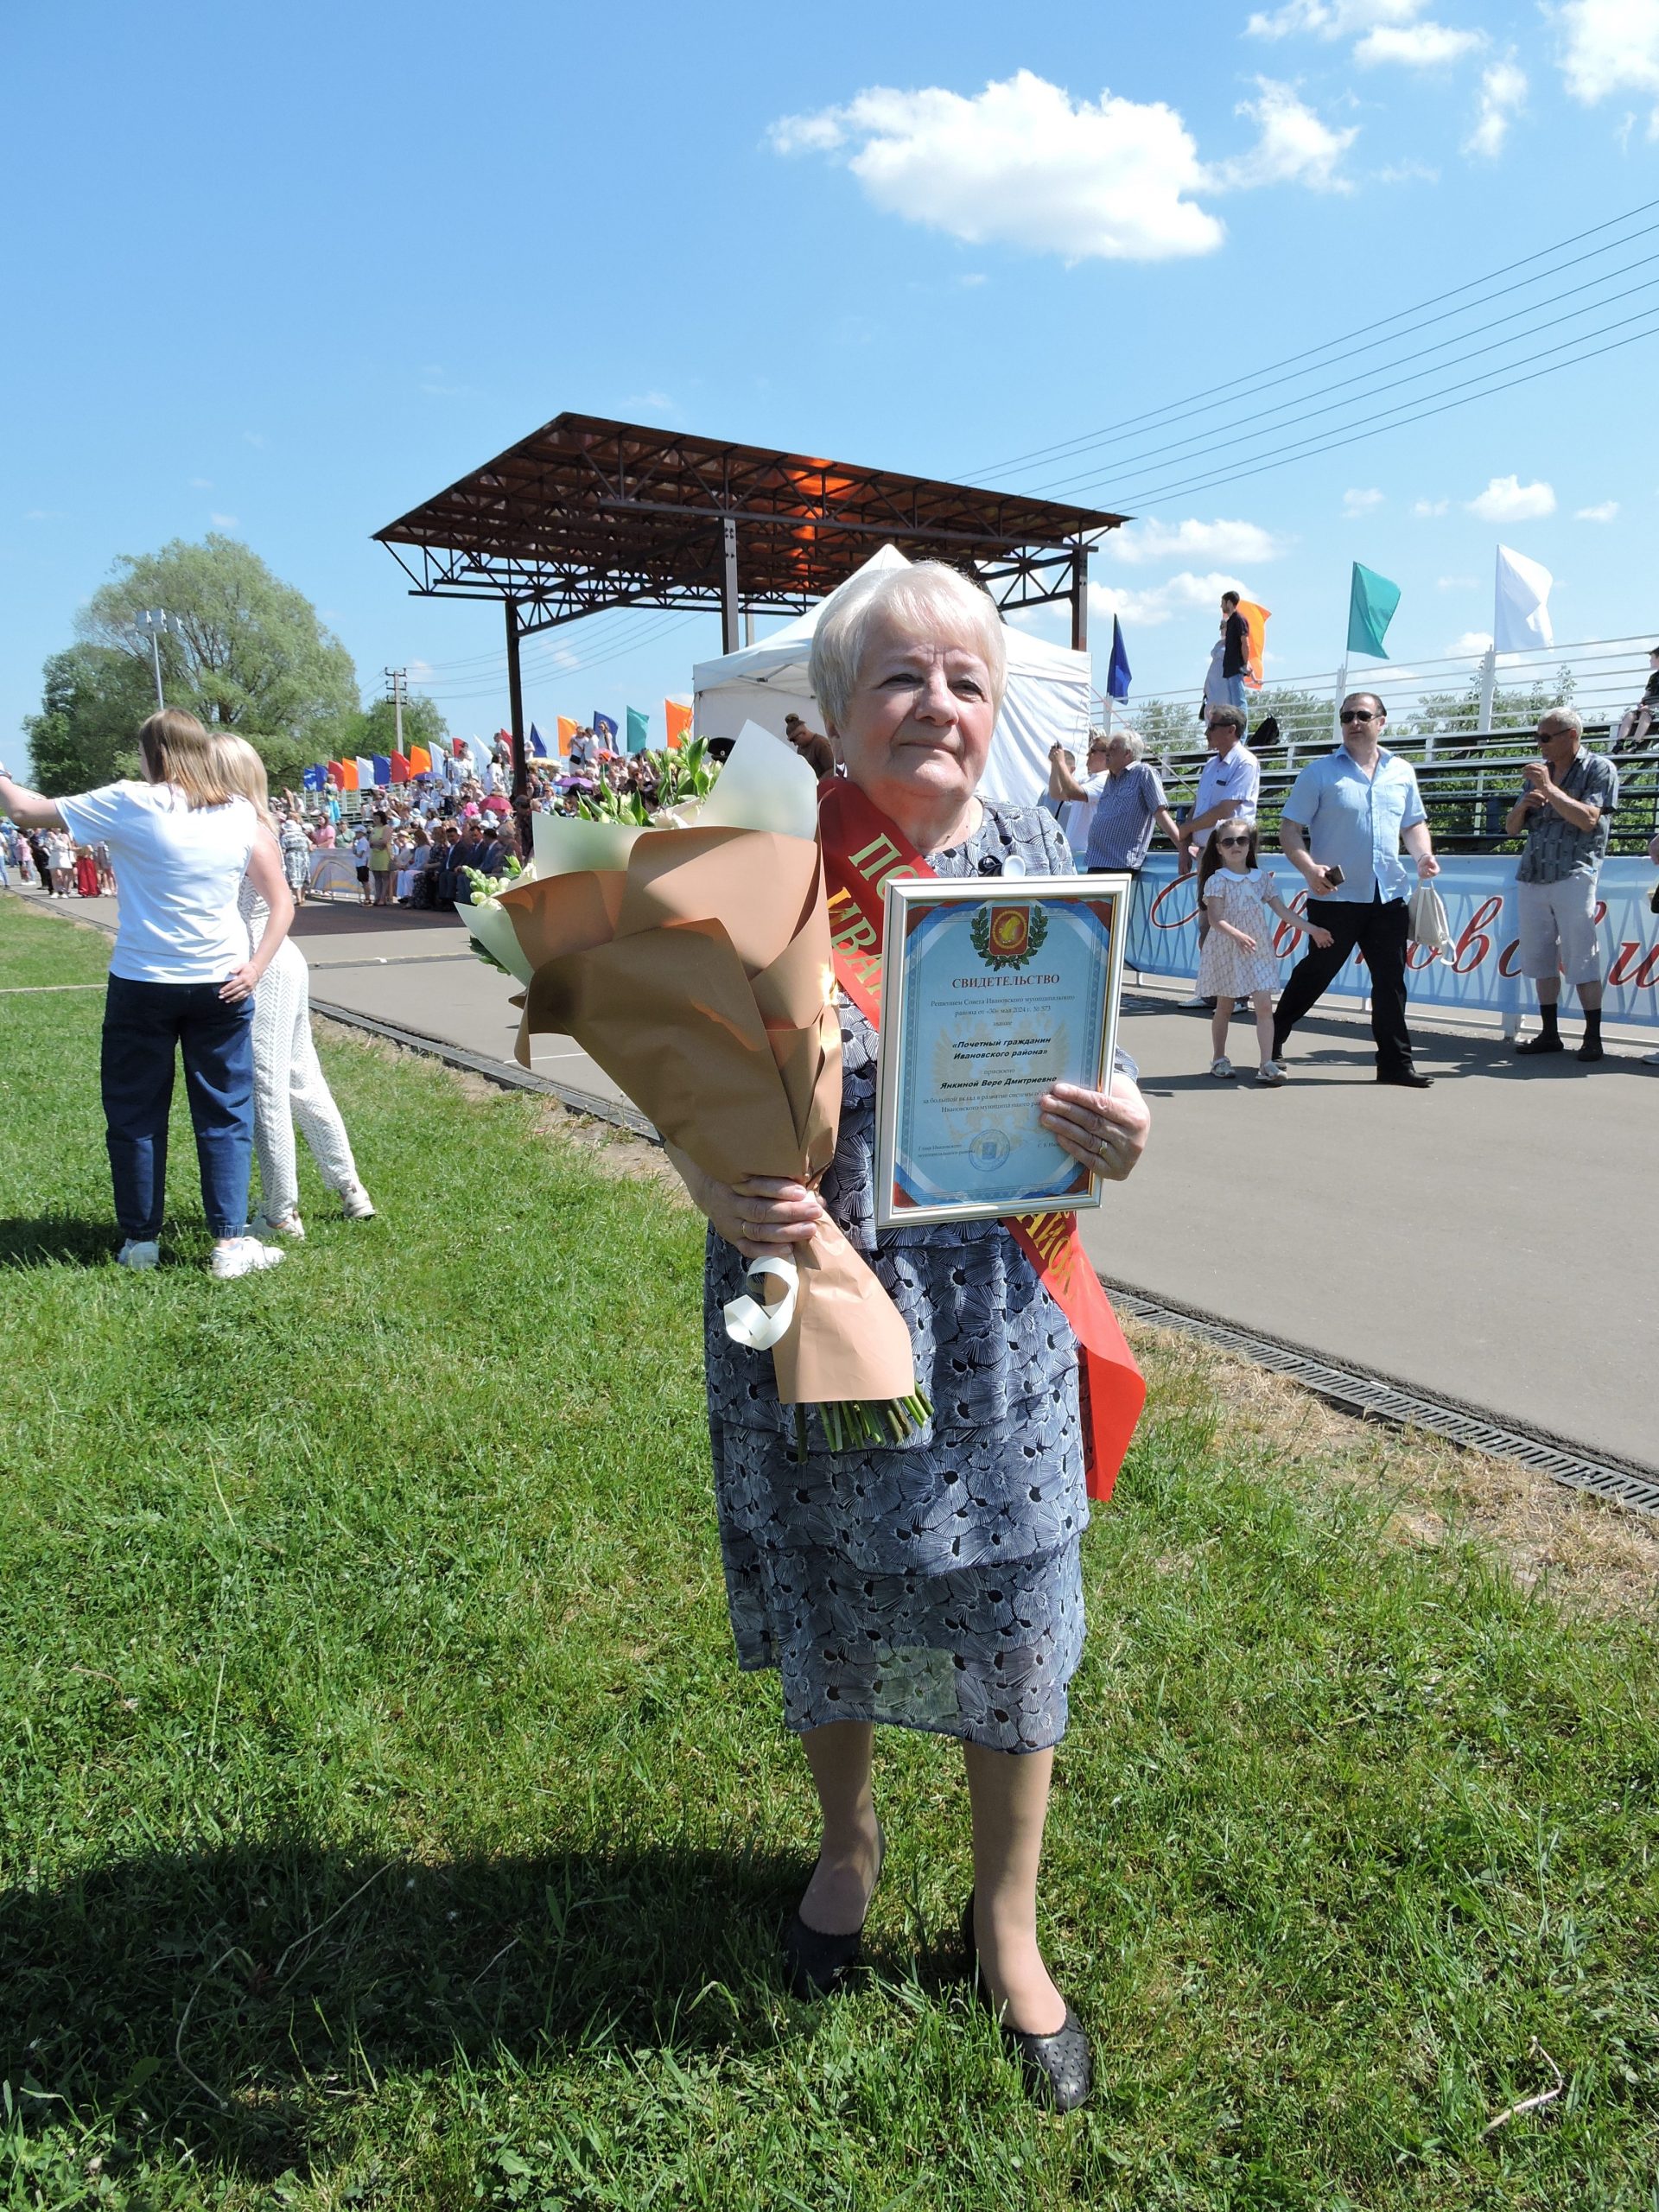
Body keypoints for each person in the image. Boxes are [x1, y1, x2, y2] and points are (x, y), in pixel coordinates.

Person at [664, 560, 1152, 2113]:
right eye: (900, 676)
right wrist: (720, 1190)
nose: (936, 702)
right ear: (833, 709)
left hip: (999, 1311)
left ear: (994, 710)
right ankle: (850, 1845)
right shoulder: (761, 867)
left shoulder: (1039, 861)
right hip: (814, 1298)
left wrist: (1122, 1122)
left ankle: (1005, 1921)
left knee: (1018, 1616)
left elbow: (1106, 1067)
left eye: (965, 677)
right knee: (836, 1589)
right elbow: (684, 1085)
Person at [0, 712, 294, 1276]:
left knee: (135, 1112)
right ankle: (230, 1245)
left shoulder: (130, 800)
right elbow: (281, 900)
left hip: (143, 983)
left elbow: (23, 810)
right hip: (222, 983)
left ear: (150, 753)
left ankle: (140, 1242)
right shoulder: (239, 813)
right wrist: (256, 967)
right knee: (226, 1112)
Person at [216, 740, 376, 1236]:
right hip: (278, 958)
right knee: (301, 1078)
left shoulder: (236, 826)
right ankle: (349, 1187)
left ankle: (280, 1209)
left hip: (263, 960)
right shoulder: (252, 822)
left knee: (268, 1087)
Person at [1271, 691, 1440, 1089]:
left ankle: (1396, 1064)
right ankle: (1273, 1035)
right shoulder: (1318, 772)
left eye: (1363, 715)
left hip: (1388, 894)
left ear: (1382, 721)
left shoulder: (1401, 771)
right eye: (1347, 716)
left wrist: (1423, 857)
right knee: (1317, 972)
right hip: (1335, 897)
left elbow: (1413, 824)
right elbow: (1289, 831)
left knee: (1390, 981)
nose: (1353, 722)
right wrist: (1310, 868)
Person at [1503, 709, 1619, 1064]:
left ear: (1571, 735)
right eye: (1538, 737)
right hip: (1534, 872)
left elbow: (1588, 819)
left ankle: (1592, 1037)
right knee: (1539, 956)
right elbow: (1510, 829)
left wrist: (1549, 789)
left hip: (1575, 871)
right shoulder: (1542, 774)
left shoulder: (1599, 768)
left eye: (1545, 737)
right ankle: (1549, 1032)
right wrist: (1523, 806)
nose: (1540, 744)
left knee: (1581, 955)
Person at [1194, 818, 1332, 1084]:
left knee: (1265, 1006)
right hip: (1227, 949)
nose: (1236, 846)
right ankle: (1219, 1058)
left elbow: (1283, 911)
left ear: (1251, 845)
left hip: (1257, 949)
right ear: (1219, 848)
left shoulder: (1261, 880)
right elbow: (1215, 919)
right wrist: (1237, 935)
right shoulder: (1217, 880)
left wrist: (1312, 929)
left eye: (1242, 840)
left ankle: (1266, 1062)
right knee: (1224, 1005)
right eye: (1228, 841)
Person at [1050, 728, 1180, 875]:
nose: (1108, 752)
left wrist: (1182, 846)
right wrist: (1056, 763)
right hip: (1097, 862)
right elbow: (1058, 793)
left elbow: (1160, 811)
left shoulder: (1143, 772)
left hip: (1119, 864)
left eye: (1113, 748)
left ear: (1128, 753)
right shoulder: (1111, 779)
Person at [1614, 645, 1659, 750]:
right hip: (1648, 706)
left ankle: (1635, 743)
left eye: (1652, 658)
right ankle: (1619, 743)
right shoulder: (1653, 677)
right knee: (1630, 715)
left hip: (1655, 708)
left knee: (1645, 715)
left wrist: (1649, 707)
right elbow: (1646, 695)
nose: (1650, 660)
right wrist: (1641, 704)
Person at [1218, 590, 1251, 714]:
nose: (1221, 606)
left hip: (1235, 667)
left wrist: (1244, 664)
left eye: (1223, 603)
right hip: (1229, 668)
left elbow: (1245, 643)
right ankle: (1237, 731)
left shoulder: (1239, 619)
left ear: (1229, 603)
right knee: (1233, 704)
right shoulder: (1231, 621)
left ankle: (1242, 733)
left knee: (1239, 703)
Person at [784, 711, 836, 779]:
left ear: (803, 733)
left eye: (794, 740)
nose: (795, 744)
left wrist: (817, 784)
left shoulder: (821, 743)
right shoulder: (800, 749)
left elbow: (832, 770)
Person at [280, 813, 311, 906]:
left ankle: (298, 898)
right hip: (304, 857)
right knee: (304, 876)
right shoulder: (303, 835)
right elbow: (310, 848)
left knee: (294, 876)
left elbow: (283, 850)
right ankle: (303, 896)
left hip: (292, 858)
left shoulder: (285, 837)